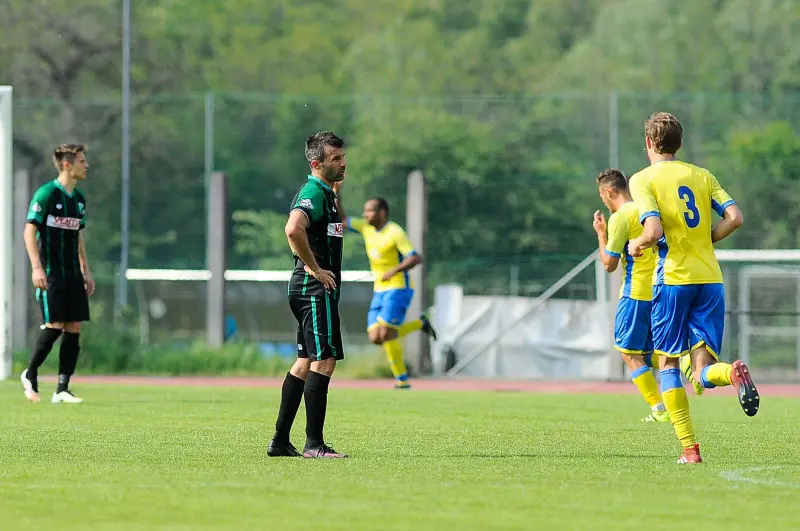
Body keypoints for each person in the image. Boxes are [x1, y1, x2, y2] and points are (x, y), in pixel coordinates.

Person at [628, 112, 758, 464]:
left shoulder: (642, 180)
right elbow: (736, 217)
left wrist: (637, 243)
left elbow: (653, 231)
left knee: (668, 363)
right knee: (701, 370)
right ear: (680, 144)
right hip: (710, 278)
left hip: (673, 279)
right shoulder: (702, 175)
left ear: (649, 144)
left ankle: (689, 450)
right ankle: (731, 373)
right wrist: (707, 239)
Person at [267, 131, 348, 459]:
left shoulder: (325, 192)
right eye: (335, 159)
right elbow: (293, 228)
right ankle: (314, 444)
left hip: (308, 289)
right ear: (316, 164)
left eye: (343, 156)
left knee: (304, 362)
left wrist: (334, 192)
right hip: (314, 289)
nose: (343, 163)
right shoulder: (313, 191)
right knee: (324, 360)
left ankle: (280, 442)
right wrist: (315, 269)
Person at [336, 195, 437, 389]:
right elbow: (343, 219)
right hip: (379, 289)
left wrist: (394, 270)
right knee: (376, 337)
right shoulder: (365, 227)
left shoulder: (394, 232)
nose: (365, 214)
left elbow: (415, 257)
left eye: (370, 210)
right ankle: (420, 324)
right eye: (365, 211)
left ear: (382, 213)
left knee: (385, 332)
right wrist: (338, 194)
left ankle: (402, 381)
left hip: (399, 288)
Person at [21, 144, 95, 404]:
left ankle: (62, 388)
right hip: (51, 273)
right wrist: (36, 267)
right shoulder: (46, 194)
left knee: (74, 326)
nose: (86, 166)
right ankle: (30, 373)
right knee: (55, 325)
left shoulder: (79, 200)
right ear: (67, 164)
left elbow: (78, 237)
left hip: (73, 274)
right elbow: (29, 231)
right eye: (82, 161)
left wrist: (86, 271)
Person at [592, 168, 668, 423]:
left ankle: (658, 408)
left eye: (602, 196)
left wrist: (601, 235)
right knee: (652, 352)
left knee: (629, 354)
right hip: (660, 289)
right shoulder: (647, 210)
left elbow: (609, 264)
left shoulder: (620, 217)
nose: (603, 200)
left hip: (635, 293)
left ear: (609, 191)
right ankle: (689, 365)